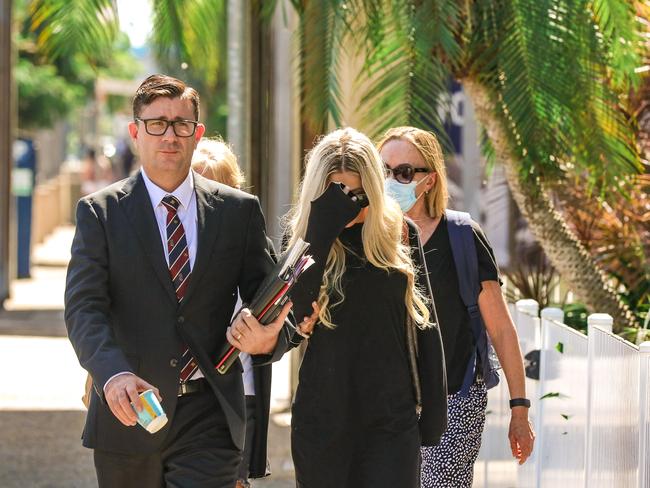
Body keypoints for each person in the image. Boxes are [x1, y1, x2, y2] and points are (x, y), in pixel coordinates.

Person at [64, 74, 294, 488]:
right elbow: (84, 308)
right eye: (157, 123)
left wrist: (271, 341)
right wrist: (112, 374)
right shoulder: (100, 213)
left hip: (209, 416)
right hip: (129, 413)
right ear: (136, 132)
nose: (169, 135)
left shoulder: (237, 212)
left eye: (181, 124)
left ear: (196, 133)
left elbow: (273, 303)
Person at [284, 127, 447, 487]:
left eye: (360, 194)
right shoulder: (303, 242)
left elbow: (424, 324)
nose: (352, 206)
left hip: (391, 419)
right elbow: (296, 317)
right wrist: (322, 230)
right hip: (323, 418)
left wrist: (434, 415)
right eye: (339, 195)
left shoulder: (399, 234)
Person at [378, 126, 535, 487]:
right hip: (383, 402)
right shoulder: (367, 239)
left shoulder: (461, 237)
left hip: (454, 403)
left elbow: (500, 329)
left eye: (402, 173)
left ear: (429, 180)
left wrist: (519, 409)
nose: (390, 180)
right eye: (382, 170)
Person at [191, 137, 271, 488]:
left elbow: (279, 318)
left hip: (239, 398)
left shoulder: (252, 243)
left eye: (216, 189)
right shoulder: (171, 246)